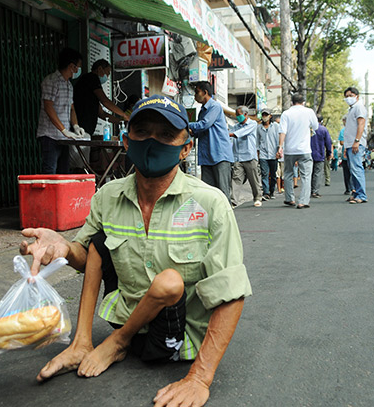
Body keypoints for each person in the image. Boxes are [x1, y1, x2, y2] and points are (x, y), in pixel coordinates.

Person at [19, 95, 252, 407]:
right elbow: (86, 256)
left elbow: (231, 294)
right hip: (126, 323)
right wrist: (62, 248)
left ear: (186, 148)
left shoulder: (210, 204)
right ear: (126, 142)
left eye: (167, 135)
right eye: (143, 132)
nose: (153, 142)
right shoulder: (108, 197)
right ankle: (82, 343)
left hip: (178, 340)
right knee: (101, 242)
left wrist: (200, 377)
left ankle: (118, 342)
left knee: (170, 279)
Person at [36, 48, 84, 174]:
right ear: (71, 66)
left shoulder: (69, 85)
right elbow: (48, 107)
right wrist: (63, 130)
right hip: (50, 136)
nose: (78, 70)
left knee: (64, 172)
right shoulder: (51, 81)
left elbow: (71, 108)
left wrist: (76, 126)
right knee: (50, 171)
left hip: (64, 138)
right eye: (78, 67)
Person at [189, 81, 234, 199]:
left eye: (197, 92)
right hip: (207, 157)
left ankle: (226, 217)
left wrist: (186, 125)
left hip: (220, 155)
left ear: (205, 92)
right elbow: (200, 131)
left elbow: (204, 124)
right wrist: (190, 132)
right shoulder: (202, 110)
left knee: (223, 192)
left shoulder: (215, 106)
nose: (195, 95)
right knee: (209, 193)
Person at [276, 93, 318, 208]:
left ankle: (290, 199)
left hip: (290, 150)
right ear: (303, 102)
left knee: (288, 174)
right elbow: (316, 127)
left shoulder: (286, 113)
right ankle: (303, 201)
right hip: (304, 149)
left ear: (291, 102)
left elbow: (282, 131)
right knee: (306, 176)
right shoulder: (309, 112)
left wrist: (280, 147)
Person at [74, 59, 128, 137]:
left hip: (85, 130)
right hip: (80, 128)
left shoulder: (89, 84)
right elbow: (104, 101)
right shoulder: (92, 78)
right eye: (107, 73)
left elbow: (101, 113)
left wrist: (120, 121)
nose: (107, 76)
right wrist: (124, 115)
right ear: (100, 69)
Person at [228, 106, 263, 207]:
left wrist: (230, 134)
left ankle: (257, 197)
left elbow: (239, 134)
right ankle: (233, 201)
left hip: (249, 156)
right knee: (236, 179)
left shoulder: (252, 124)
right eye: (237, 115)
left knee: (254, 179)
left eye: (239, 115)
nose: (238, 117)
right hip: (237, 157)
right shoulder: (236, 126)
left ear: (245, 114)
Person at [343, 87, 368, 204]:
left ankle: (361, 195)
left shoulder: (359, 107)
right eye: (346, 96)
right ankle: (355, 192)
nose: (348, 98)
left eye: (350, 95)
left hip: (356, 144)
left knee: (357, 169)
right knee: (352, 170)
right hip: (350, 144)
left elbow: (361, 124)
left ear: (357, 96)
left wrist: (357, 141)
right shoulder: (351, 109)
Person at [257, 108, 280, 200]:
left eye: (266, 115)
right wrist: (257, 153)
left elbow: (279, 140)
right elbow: (257, 141)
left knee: (273, 174)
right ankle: (266, 192)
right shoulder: (259, 128)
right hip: (263, 154)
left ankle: (271, 191)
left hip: (274, 154)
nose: (264, 117)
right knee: (264, 174)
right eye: (263, 115)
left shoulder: (275, 126)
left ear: (270, 116)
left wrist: (279, 151)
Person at [310, 116, 333, 198]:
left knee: (309, 173)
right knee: (317, 173)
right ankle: (315, 191)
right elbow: (328, 142)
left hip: (308, 154)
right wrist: (329, 153)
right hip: (319, 154)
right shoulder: (323, 129)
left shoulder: (309, 129)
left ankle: (309, 190)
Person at [338, 115, 352, 195]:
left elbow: (342, 142)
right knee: (348, 172)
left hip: (349, 154)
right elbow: (341, 142)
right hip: (347, 155)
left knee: (350, 172)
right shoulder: (343, 130)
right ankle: (349, 188)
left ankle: (351, 188)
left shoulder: (345, 130)